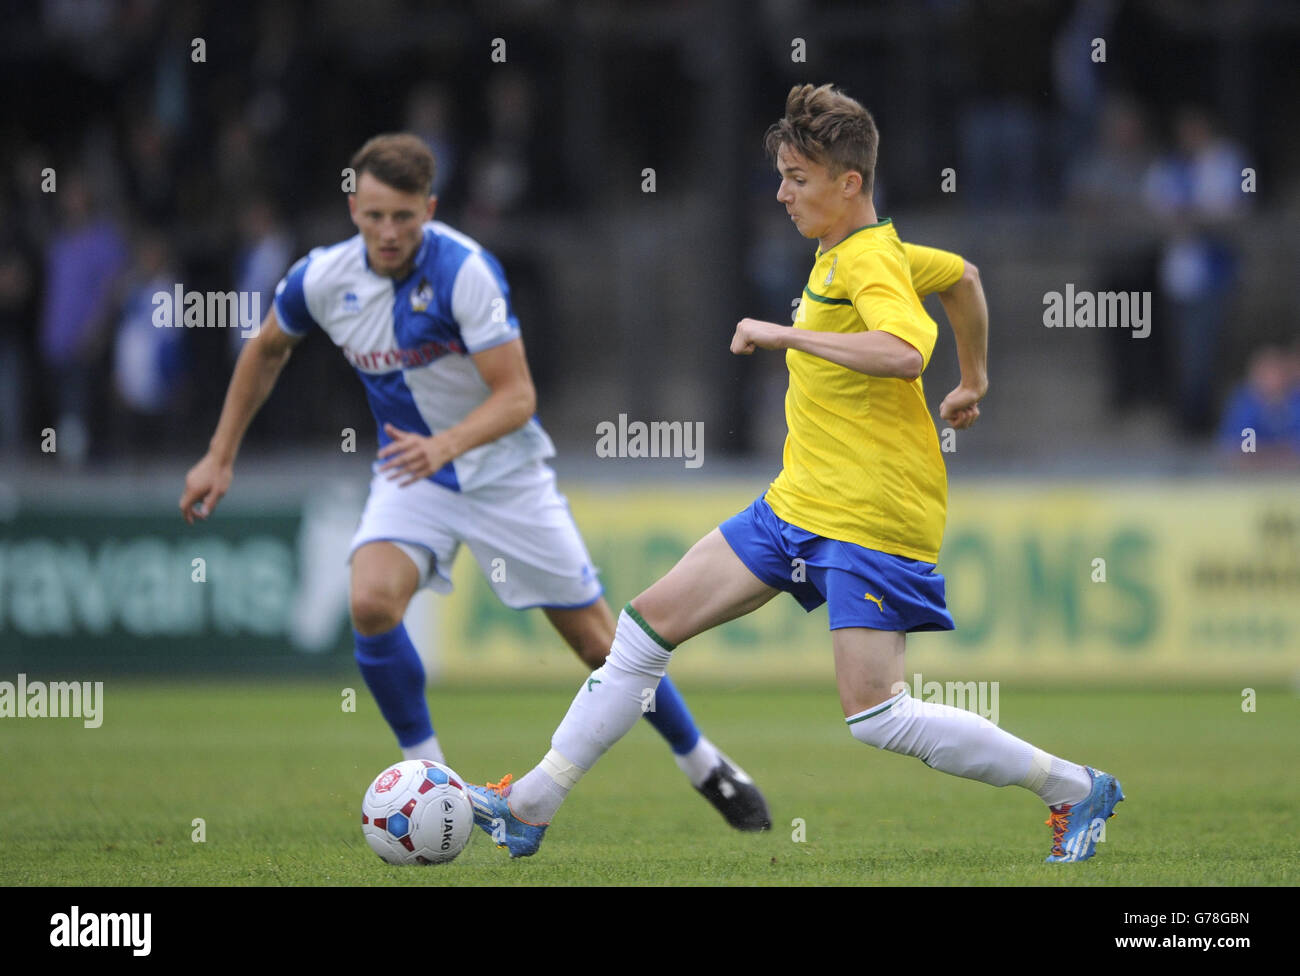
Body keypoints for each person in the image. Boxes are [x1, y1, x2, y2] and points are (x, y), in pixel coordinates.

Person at [467, 85, 1124, 864]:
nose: (780, 194)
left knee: (877, 716)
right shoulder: (861, 249)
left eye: (797, 178)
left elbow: (905, 351)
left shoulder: (870, 259)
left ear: (849, 184)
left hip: (872, 514)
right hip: (798, 503)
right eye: (780, 175)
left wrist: (786, 335)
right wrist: (973, 381)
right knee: (643, 629)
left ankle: (1075, 787)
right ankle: (531, 804)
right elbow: (965, 278)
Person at [179, 133, 770, 832]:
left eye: (404, 216)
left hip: (503, 474)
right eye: (374, 216)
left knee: (598, 645)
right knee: (370, 602)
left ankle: (701, 760)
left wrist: (447, 444)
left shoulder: (466, 271)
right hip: (412, 473)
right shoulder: (321, 277)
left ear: (428, 208)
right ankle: (438, 784)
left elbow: (517, 395)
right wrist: (220, 455)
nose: (389, 232)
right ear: (353, 208)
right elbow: (266, 350)